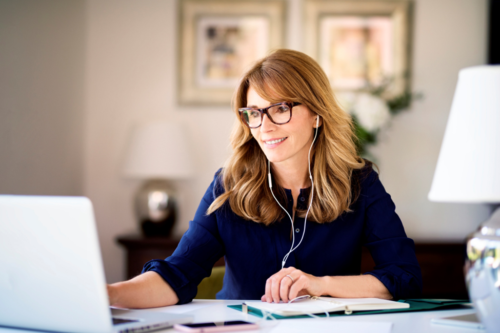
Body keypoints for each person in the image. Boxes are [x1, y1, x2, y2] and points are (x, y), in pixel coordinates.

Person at [107, 49, 422, 308]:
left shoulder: (360, 182)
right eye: (254, 113)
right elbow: (177, 275)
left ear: (317, 113)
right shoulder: (228, 185)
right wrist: (106, 295)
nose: (265, 127)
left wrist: (320, 285)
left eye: (280, 108)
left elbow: (404, 276)